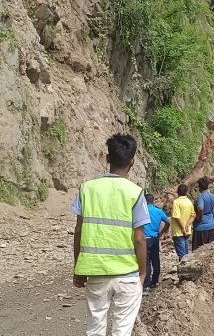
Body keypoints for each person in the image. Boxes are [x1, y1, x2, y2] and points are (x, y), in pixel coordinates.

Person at [71, 133, 150, 336]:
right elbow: (139, 239)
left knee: (95, 328)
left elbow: (78, 231)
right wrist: (142, 273)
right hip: (126, 274)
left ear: (107, 158)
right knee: (122, 330)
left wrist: (78, 268)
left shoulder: (87, 189)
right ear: (132, 161)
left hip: (95, 272)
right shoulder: (135, 192)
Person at [143, 194, 170, 294]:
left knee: (146, 261)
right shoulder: (158, 211)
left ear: (144, 201)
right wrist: (162, 232)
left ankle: (145, 286)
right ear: (153, 201)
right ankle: (154, 282)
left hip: (144, 239)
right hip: (155, 238)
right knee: (156, 259)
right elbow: (168, 221)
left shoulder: (142, 211)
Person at [193, 177, 214, 250]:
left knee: (198, 250)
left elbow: (200, 208)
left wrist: (199, 218)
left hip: (200, 227)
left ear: (200, 187)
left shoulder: (201, 196)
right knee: (208, 249)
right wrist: (213, 214)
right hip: (210, 225)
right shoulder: (212, 196)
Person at [171, 184, 196, 260]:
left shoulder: (176, 202)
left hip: (179, 232)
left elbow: (177, 217)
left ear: (178, 192)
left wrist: (183, 228)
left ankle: (183, 270)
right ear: (186, 192)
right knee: (186, 253)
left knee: (182, 255)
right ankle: (186, 269)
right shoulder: (189, 202)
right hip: (187, 231)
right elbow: (193, 215)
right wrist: (187, 224)